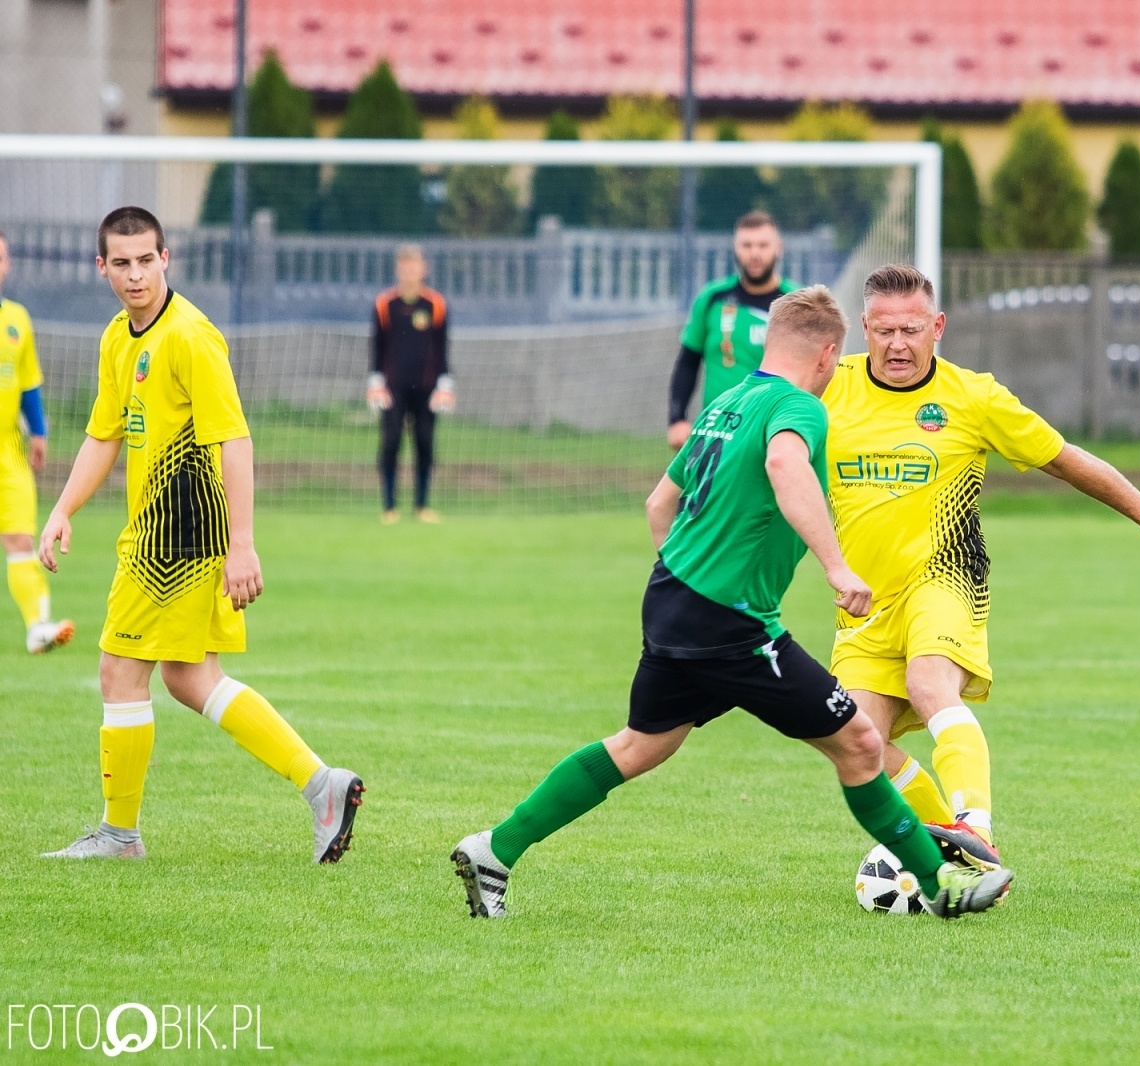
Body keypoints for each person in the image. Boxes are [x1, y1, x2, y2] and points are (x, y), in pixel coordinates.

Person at [450, 285, 1013, 920]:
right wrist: (835, 565)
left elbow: (658, 504)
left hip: (671, 599)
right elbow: (784, 464)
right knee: (859, 742)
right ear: (828, 355)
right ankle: (942, 881)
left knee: (640, 746)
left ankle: (494, 849)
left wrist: (686, 583)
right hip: (733, 622)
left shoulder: (726, 403)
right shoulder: (798, 408)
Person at [823, 264, 1140, 868]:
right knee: (862, 745)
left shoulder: (973, 396)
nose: (897, 345)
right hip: (864, 598)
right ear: (863, 328)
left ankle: (975, 827)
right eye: (883, 331)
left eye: (911, 330)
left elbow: (1061, 459)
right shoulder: (828, 386)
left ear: (937, 327)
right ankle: (954, 854)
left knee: (928, 683)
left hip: (946, 578)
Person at [37, 206, 364, 863]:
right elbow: (105, 433)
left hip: (178, 541)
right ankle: (321, 785)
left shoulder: (190, 335)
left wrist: (242, 543)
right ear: (101, 267)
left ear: (168, 258)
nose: (136, 275)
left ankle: (119, 836)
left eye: (146, 260)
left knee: (119, 672)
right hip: (155, 534)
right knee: (189, 678)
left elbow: (234, 440)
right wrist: (62, 507)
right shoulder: (116, 338)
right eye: (121, 263)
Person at [0, 228, 73, 653]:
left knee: (20, 541)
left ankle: (37, 627)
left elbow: (28, 383)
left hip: (8, 449)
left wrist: (40, 431)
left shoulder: (17, 319)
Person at [666, 211, 796, 450]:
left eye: (763, 245)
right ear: (735, 248)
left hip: (774, 432)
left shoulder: (796, 302)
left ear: (779, 248)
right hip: (717, 433)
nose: (754, 253)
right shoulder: (713, 298)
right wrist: (676, 419)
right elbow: (688, 361)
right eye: (746, 245)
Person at [367, 244, 453, 524]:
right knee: (391, 442)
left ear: (423, 269)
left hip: (426, 386)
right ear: (398, 270)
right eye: (405, 266)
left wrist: (445, 384)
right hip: (393, 387)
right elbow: (377, 346)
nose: (410, 271)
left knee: (425, 443)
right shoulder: (384, 305)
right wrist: (375, 381)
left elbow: (441, 348)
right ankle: (389, 506)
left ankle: (422, 505)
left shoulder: (436, 304)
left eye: (414, 266)